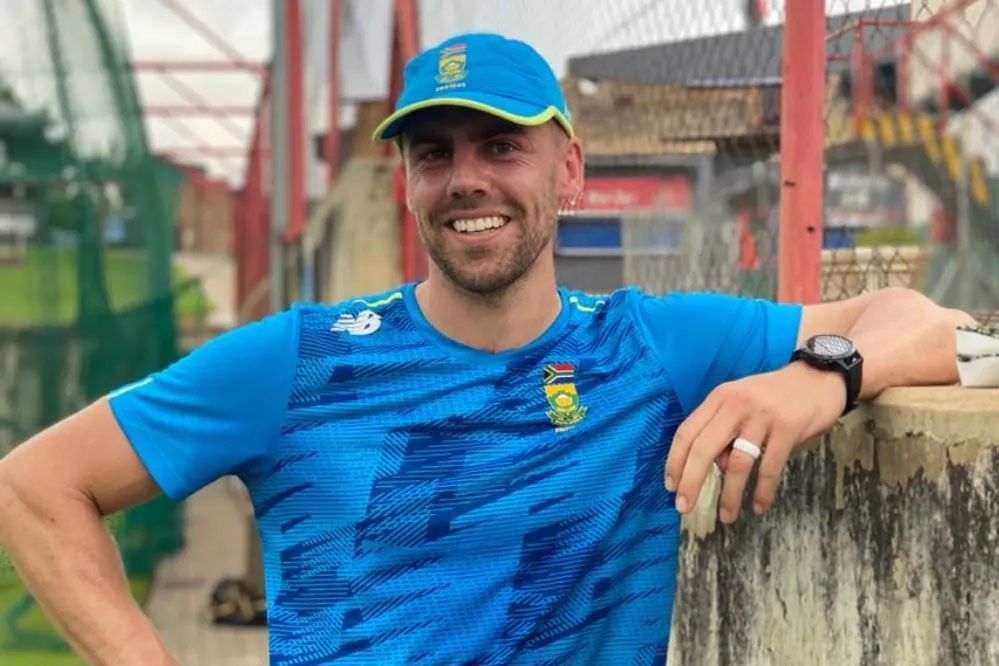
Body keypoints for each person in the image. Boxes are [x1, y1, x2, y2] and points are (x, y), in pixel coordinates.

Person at [0, 32, 975, 666]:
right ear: (406, 184)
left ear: (569, 169)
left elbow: (938, 328)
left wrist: (823, 376)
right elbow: (34, 486)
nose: (466, 178)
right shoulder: (299, 361)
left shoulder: (648, 345)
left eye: (500, 146)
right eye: (435, 154)